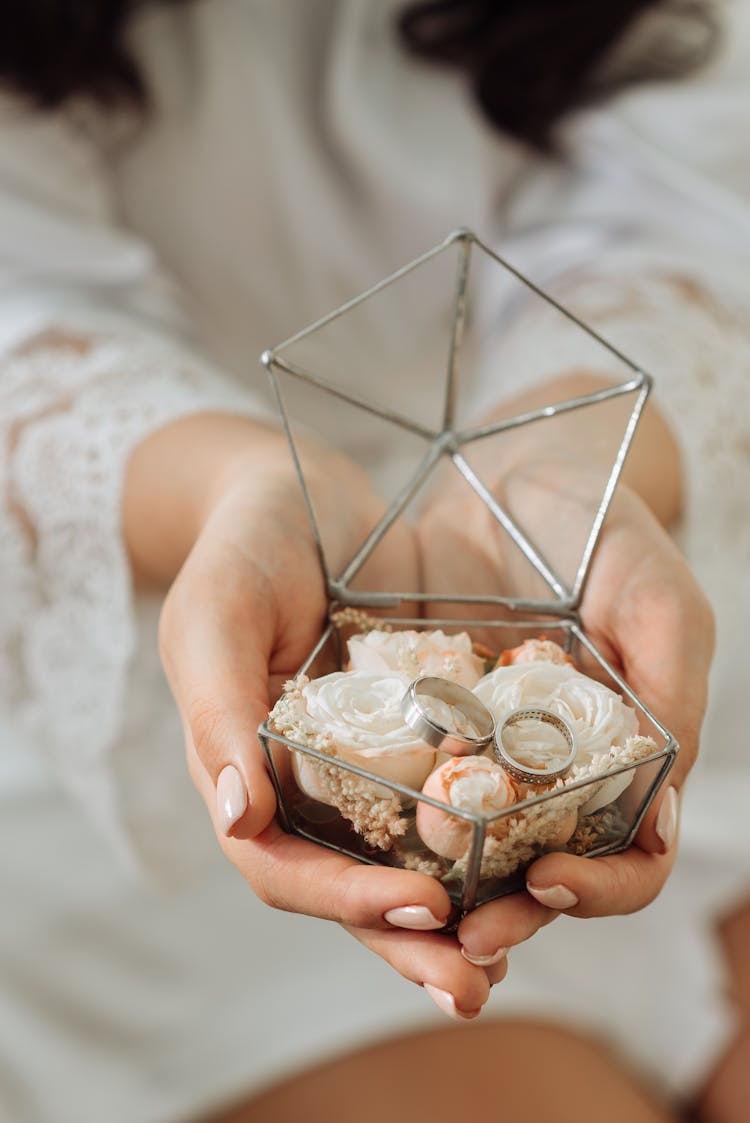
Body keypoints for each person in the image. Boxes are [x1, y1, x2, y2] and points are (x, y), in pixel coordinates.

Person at [0, 2, 747, 1121]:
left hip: (607, 592)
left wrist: (567, 461)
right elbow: (24, 304)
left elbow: (682, 213)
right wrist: (240, 491)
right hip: (154, 643)